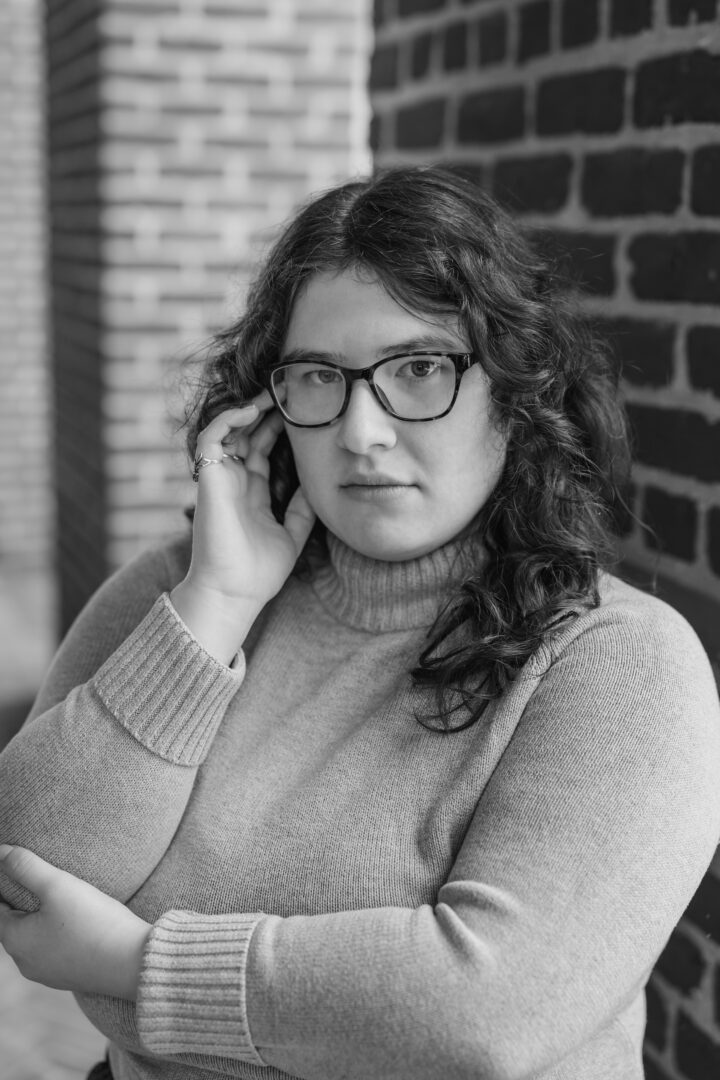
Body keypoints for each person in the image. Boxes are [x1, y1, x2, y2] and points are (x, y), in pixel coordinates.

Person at [0, 165, 719, 1080]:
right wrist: (219, 606)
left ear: (513, 392)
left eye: (418, 369)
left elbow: (483, 1016)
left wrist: (132, 965)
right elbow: (28, 872)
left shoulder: (620, 662)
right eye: (318, 377)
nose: (362, 431)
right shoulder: (183, 591)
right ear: (270, 408)